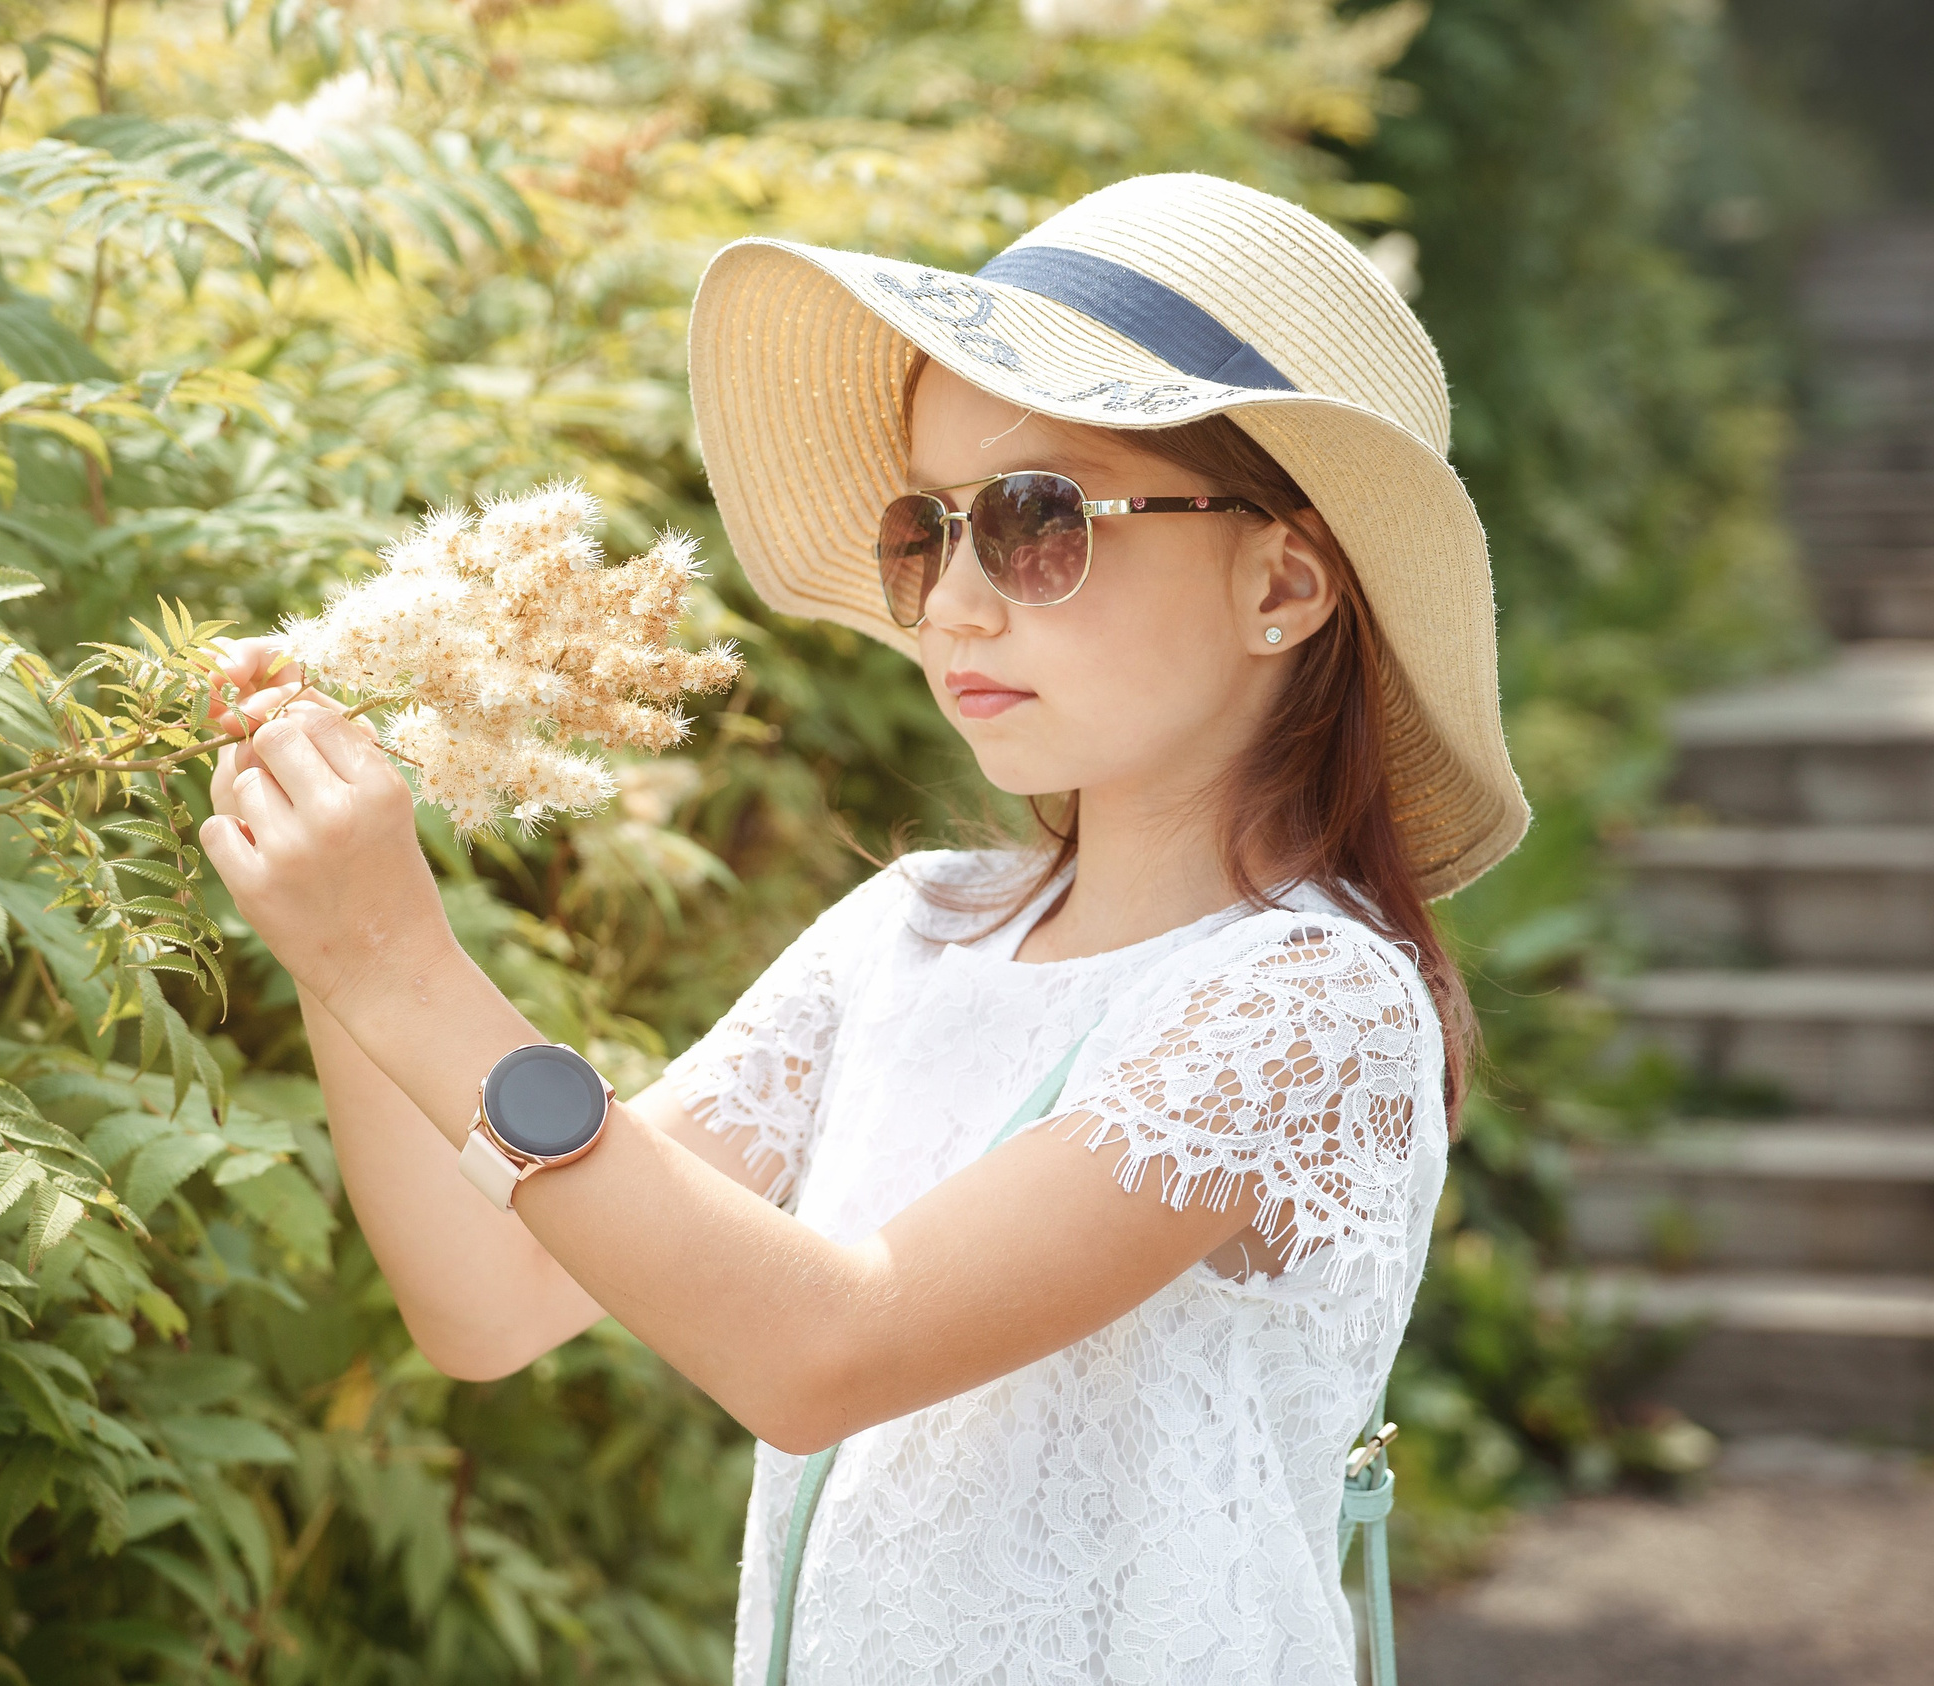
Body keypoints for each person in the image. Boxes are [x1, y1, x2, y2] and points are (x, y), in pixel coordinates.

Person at [192, 172, 1528, 1685]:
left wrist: (400, 960)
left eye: (1038, 522)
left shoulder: (1312, 1004)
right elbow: (490, 1296)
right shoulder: (911, 936)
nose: (953, 601)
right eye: (927, 529)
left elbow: (822, 1350)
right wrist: (334, 935)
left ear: (1282, 578)